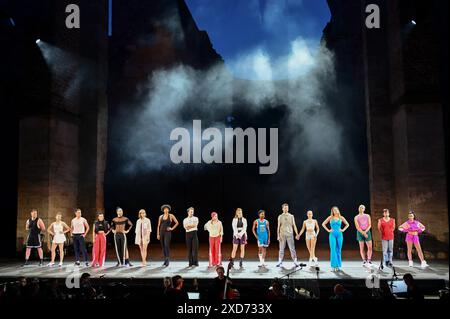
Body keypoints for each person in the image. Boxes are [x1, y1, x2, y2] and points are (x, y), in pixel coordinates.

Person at [322, 206, 349, 272]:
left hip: (339, 235)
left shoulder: (341, 217)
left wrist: (343, 230)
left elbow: (347, 224)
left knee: (338, 250)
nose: (335, 210)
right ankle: (334, 266)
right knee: (333, 249)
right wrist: (328, 230)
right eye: (334, 210)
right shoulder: (330, 217)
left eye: (336, 209)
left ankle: (338, 266)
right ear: (332, 211)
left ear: (338, 210)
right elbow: (323, 224)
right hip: (332, 235)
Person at [276, 203, 300, 267]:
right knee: (281, 248)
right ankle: (280, 261)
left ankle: (295, 261)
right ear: (282, 209)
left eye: (287, 208)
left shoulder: (291, 216)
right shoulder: (280, 216)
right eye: (285, 208)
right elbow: (278, 226)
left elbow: (294, 225)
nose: (286, 209)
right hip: (282, 234)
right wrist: (278, 235)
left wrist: (297, 234)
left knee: (292, 248)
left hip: (290, 234)